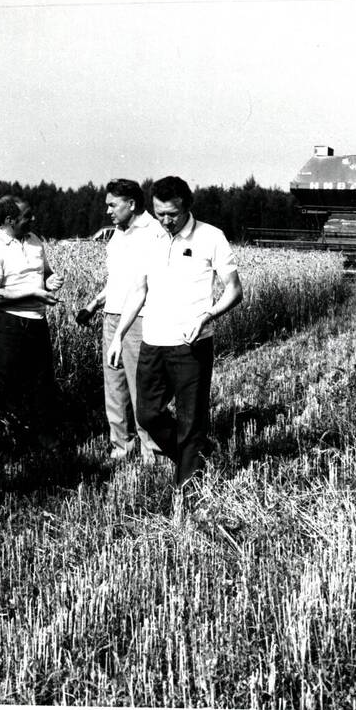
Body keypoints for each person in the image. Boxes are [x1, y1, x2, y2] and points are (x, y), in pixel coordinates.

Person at [107, 176, 243, 487]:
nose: (166, 221)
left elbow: (234, 291)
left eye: (173, 214)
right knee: (148, 415)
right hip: (153, 341)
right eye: (159, 213)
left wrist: (206, 317)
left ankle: (189, 489)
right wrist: (118, 336)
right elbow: (139, 290)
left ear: (187, 206)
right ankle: (196, 455)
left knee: (190, 421)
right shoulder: (151, 239)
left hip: (191, 343)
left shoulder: (211, 237)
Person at [76, 179, 160, 461]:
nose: (108, 211)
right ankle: (121, 447)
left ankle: (152, 451)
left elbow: (146, 285)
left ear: (132, 204)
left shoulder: (154, 233)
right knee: (114, 387)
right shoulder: (118, 235)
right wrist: (93, 304)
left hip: (139, 319)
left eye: (113, 205)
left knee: (142, 388)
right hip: (111, 316)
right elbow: (118, 281)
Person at [0, 194, 63, 446]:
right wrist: (33, 293)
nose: (33, 219)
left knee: (42, 381)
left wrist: (50, 281)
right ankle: (13, 441)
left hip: (37, 322)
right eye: (27, 216)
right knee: (11, 384)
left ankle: (45, 437)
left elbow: (45, 273)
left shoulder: (35, 241)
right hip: (8, 326)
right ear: (9, 219)